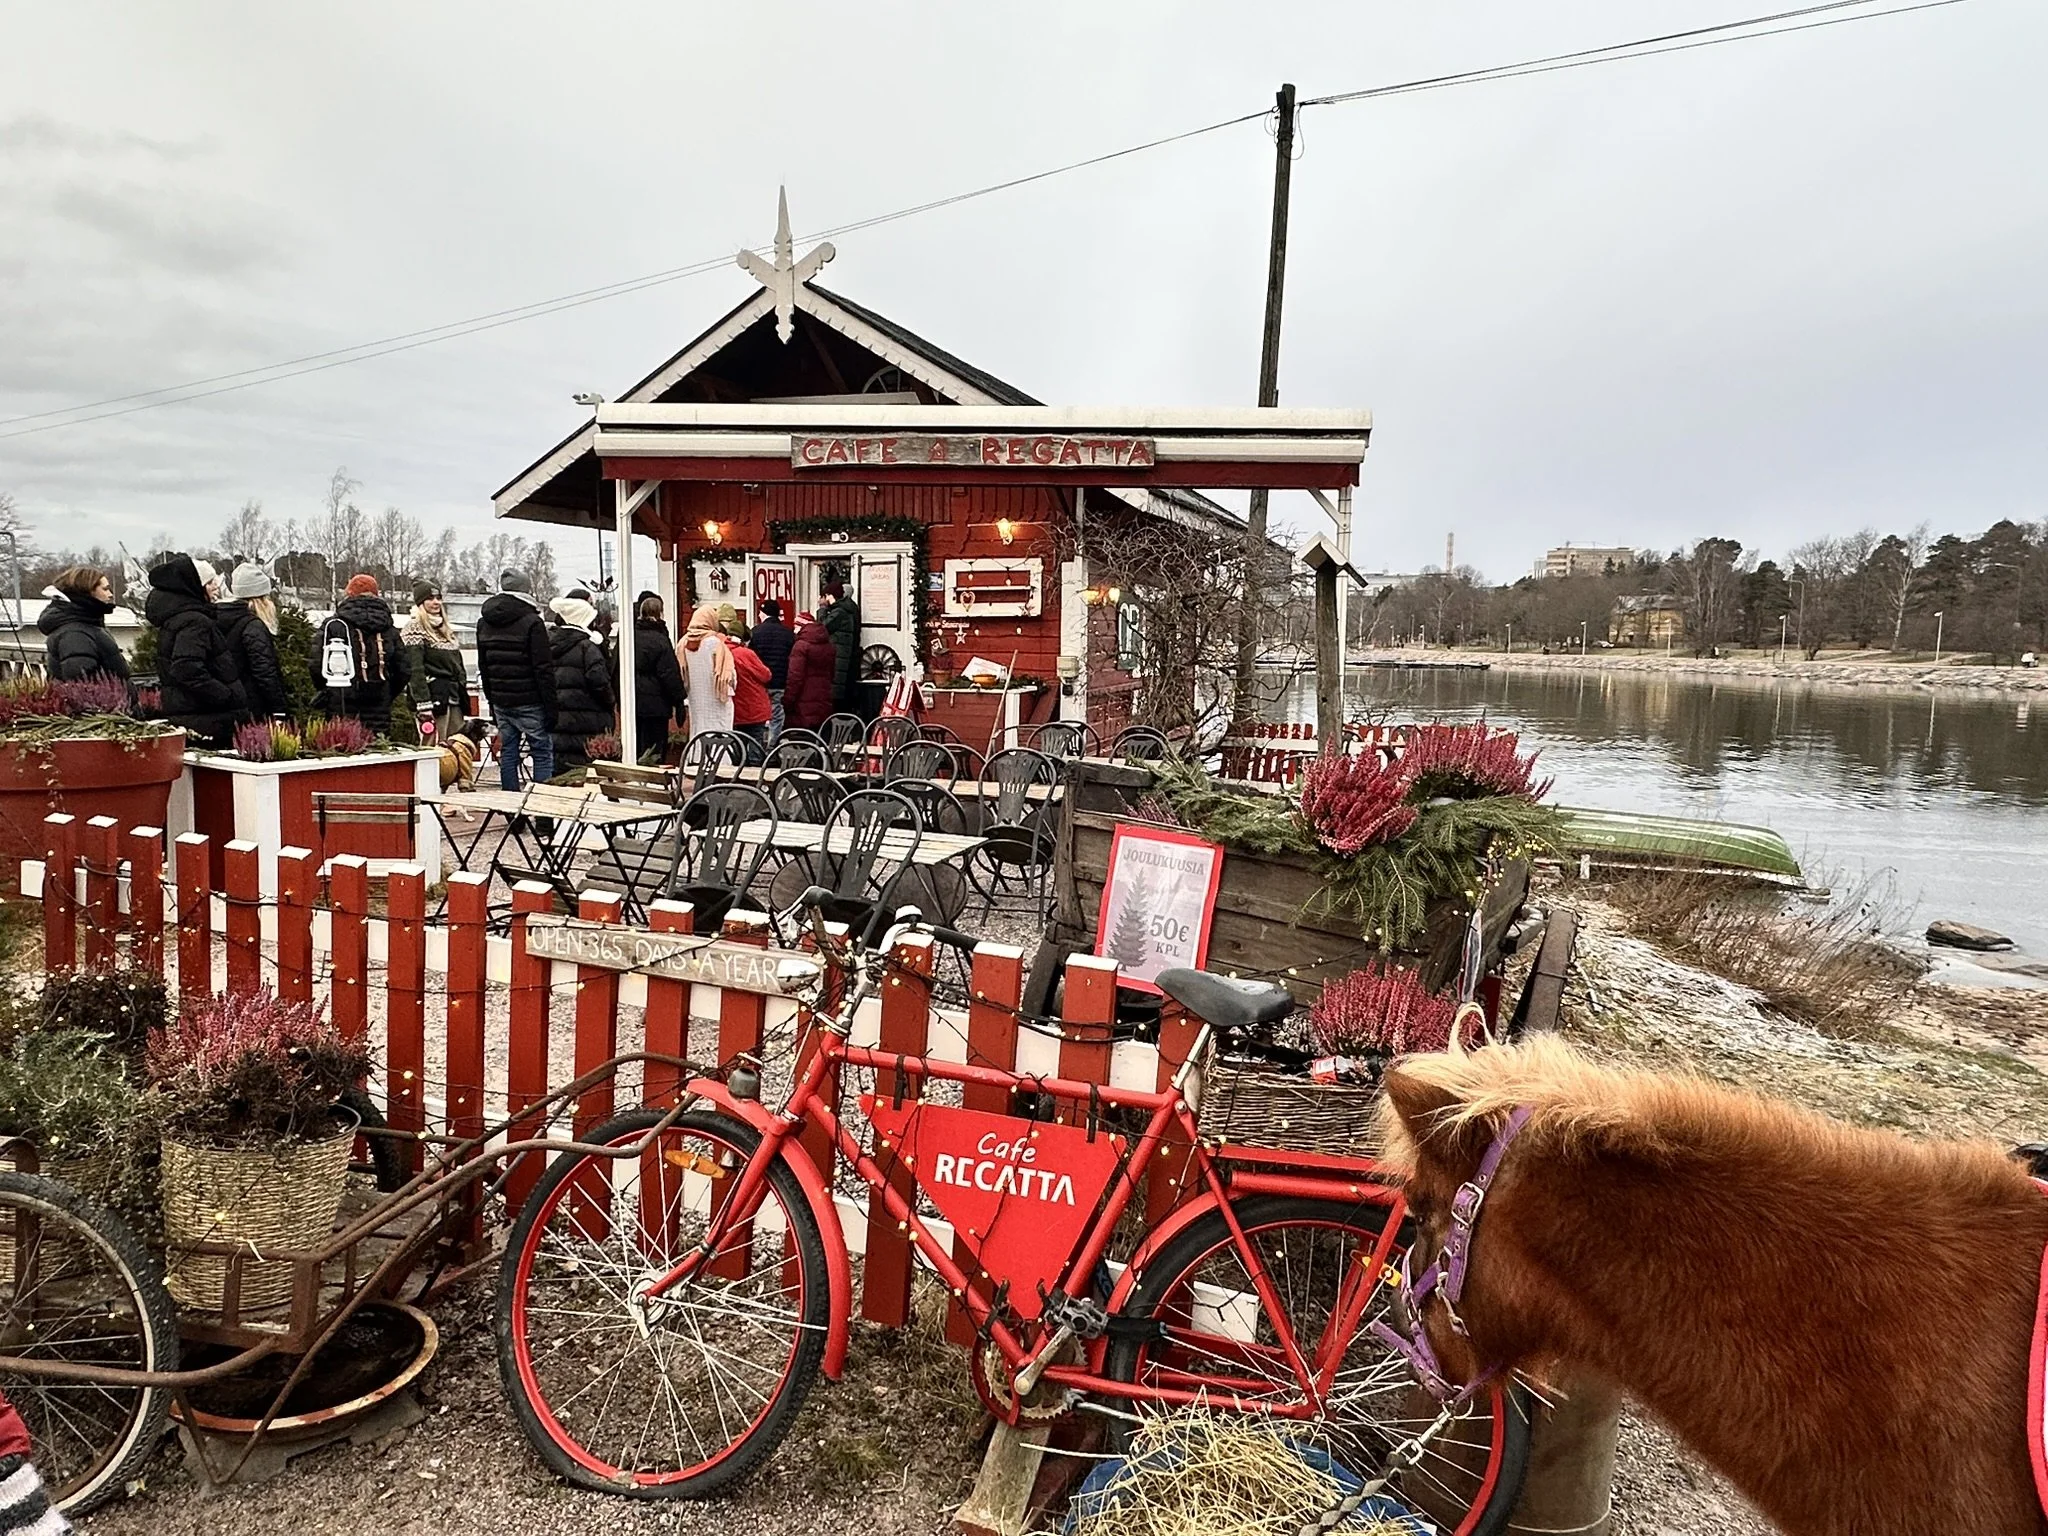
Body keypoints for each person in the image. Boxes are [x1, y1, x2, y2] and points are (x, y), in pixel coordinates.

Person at [146, 554, 248, 746]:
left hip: (193, 716)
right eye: (209, 583)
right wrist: (224, 695)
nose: (216, 587)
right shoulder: (195, 621)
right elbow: (186, 668)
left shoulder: (177, 619)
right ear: (195, 587)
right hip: (208, 721)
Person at [475, 568, 557, 789]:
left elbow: (484, 665)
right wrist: (551, 707)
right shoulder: (532, 621)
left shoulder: (484, 622)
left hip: (501, 700)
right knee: (541, 753)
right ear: (526, 589)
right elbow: (543, 668)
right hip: (530, 700)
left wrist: (492, 701)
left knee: (508, 753)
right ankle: (542, 813)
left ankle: (512, 812)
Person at [317, 574, 408, 733]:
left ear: (349, 594)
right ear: (376, 594)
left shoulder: (334, 625)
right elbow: (403, 669)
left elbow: (317, 664)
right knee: (378, 750)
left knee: (343, 749)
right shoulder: (388, 628)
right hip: (379, 703)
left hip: (342, 702)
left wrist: (329, 692)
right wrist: (386, 693)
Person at [547, 595, 615, 776]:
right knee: (584, 770)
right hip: (588, 719)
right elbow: (599, 682)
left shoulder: (547, 644)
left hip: (556, 717)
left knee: (561, 768)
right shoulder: (588, 648)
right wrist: (610, 701)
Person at [216, 563, 290, 718]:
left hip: (226, 703)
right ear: (261, 599)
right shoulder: (253, 626)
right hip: (254, 706)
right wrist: (279, 710)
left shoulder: (217, 619)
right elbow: (265, 672)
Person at [401, 580, 470, 743]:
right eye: (430, 598)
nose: (436, 602)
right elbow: (415, 669)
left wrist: (462, 685)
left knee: (457, 745)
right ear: (421, 602)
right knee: (433, 746)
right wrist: (423, 703)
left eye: (438, 598)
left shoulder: (446, 630)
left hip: (454, 697)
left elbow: (457, 664)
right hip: (432, 698)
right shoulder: (414, 628)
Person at [37, 565, 130, 684]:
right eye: (105, 589)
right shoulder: (74, 634)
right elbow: (82, 687)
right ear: (87, 592)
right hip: (103, 702)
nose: (110, 594)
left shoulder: (88, 624)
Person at [629, 592, 686, 764]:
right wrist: (679, 700)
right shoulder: (660, 639)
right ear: (660, 613)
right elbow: (668, 672)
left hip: (632, 702)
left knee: (636, 745)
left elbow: (616, 667)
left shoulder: (629, 636)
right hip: (657, 705)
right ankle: (653, 783)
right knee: (655, 748)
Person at [678, 604, 736, 738]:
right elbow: (730, 675)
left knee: (698, 732)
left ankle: (698, 756)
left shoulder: (683, 644)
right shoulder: (715, 643)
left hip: (695, 699)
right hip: (717, 699)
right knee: (719, 734)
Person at [782, 609, 839, 733]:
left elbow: (795, 677)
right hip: (824, 699)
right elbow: (832, 673)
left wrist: (787, 701)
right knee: (819, 742)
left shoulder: (801, 646)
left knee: (802, 743)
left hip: (803, 703)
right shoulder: (829, 646)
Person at [748, 598, 794, 741]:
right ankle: (772, 747)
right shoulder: (788, 634)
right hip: (781, 682)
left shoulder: (755, 632)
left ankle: (759, 746)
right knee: (777, 715)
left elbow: (751, 658)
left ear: (764, 614)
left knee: (759, 716)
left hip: (761, 683)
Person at [818, 580, 862, 709]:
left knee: (836, 698)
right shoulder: (847, 609)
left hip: (838, 660)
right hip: (844, 658)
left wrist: (822, 609)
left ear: (829, 596)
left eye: (823, 596)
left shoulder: (839, 613)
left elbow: (821, 628)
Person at [730, 636, 772, 760]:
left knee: (737, 747)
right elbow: (766, 675)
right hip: (754, 706)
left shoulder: (721, 653)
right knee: (755, 744)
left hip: (735, 709)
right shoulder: (745, 653)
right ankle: (755, 775)